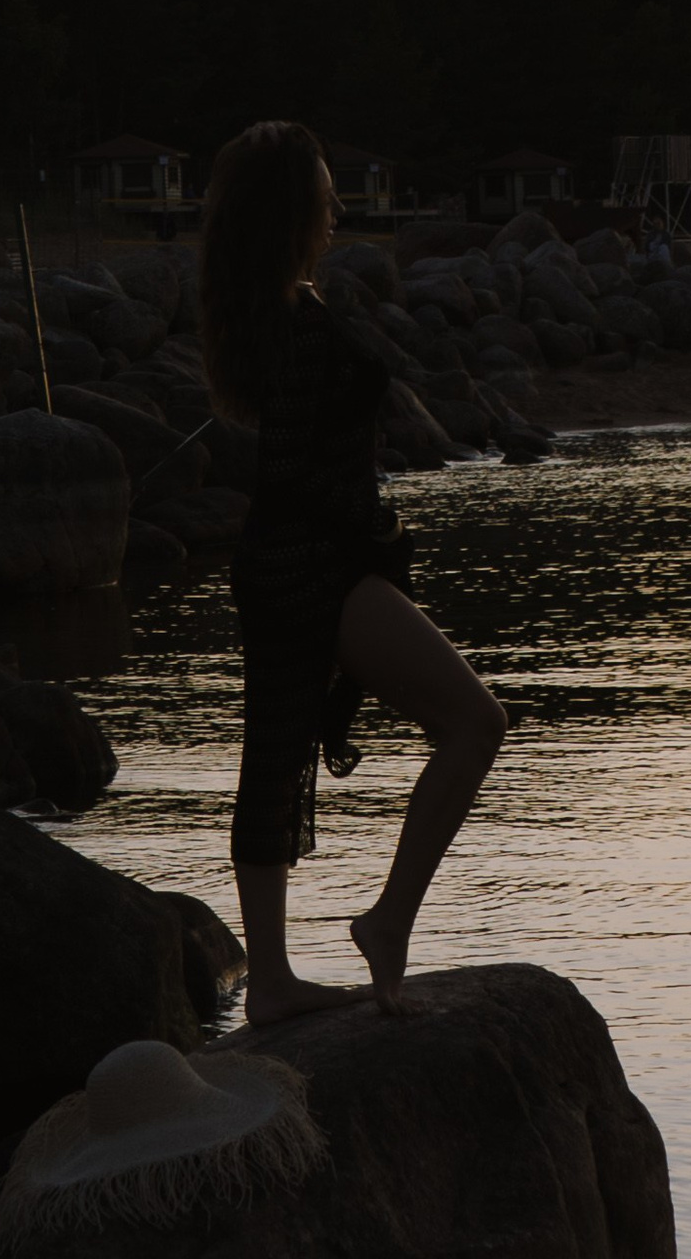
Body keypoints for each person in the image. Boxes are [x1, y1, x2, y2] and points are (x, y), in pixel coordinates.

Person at [201, 118, 508, 1023]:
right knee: (473, 722)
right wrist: (370, 539)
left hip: (299, 561)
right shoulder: (289, 325)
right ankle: (371, 933)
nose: (337, 207)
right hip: (316, 566)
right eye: (326, 193)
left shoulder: (272, 310)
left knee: (278, 754)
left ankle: (292, 972)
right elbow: (298, 468)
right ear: (295, 209)